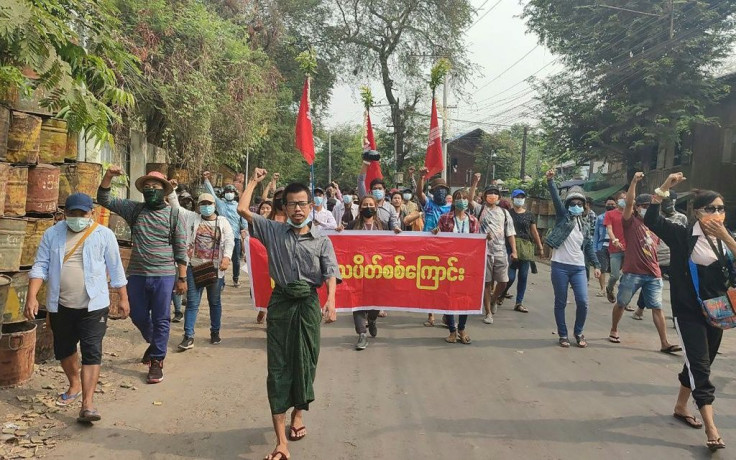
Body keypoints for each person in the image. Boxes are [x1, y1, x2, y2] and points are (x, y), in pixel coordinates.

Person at [237, 168, 340, 460]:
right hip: (281, 303)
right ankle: (281, 441)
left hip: (308, 303)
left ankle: (298, 412)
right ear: (285, 207)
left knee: (306, 362)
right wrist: (255, 181)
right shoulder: (272, 230)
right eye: (292, 204)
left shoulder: (322, 239)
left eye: (302, 203)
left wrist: (330, 300)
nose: (297, 209)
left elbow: (331, 272)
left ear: (311, 206)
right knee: (279, 367)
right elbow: (243, 209)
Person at [645, 173, 732, 452]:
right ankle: (711, 427)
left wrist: (727, 238)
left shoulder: (726, 241)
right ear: (697, 212)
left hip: (718, 311)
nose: (717, 213)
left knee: (699, 361)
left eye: (721, 209)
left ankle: (681, 405)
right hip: (688, 311)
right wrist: (663, 189)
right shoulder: (683, 236)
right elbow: (652, 220)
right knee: (700, 367)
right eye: (711, 209)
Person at [25, 193, 128, 423]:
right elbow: (40, 266)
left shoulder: (104, 235)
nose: (78, 218)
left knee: (92, 351)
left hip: (94, 305)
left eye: (83, 213)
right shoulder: (52, 234)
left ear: (91, 213)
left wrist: (123, 297)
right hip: (61, 305)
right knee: (64, 349)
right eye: (73, 214)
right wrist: (32, 296)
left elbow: (116, 268)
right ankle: (74, 383)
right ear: (65, 214)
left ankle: (88, 404)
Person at [98, 167, 187, 384]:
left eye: (155, 187)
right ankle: (156, 342)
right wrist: (109, 176)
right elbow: (104, 199)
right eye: (147, 188)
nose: (150, 190)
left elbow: (180, 247)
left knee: (161, 318)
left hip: (164, 274)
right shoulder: (134, 210)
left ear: (164, 191)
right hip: (137, 273)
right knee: (135, 314)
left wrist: (182, 277)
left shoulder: (174, 214)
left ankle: (157, 361)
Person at [607, 173, 680, 353]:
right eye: (644, 206)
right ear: (637, 208)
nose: (647, 208)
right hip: (632, 272)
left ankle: (664, 342)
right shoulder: (630, 222)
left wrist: (667, 187)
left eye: (650, 206)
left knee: (657, 307)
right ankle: (614, 329)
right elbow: (629, 202)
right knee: (622, 303)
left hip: (653, 273)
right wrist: (633, 182)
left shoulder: (656, 224)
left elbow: (658, 200)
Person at [170, 192, 234, 349]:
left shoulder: (223, 222)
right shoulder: (193, 218)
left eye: (209, 203)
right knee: (192, 303)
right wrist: (172, 191)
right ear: (198, 206)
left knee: (214, 302)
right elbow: (176, 208)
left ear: (214, 205)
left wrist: (226, 257)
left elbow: (229, 241)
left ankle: (215, 332)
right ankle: (188, 336)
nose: (206, 206)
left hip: (215, 269)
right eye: (203, 204)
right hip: (194, 268)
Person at [544, 170, 601, 348]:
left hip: (578, 267)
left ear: (584, 206)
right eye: (573, 203)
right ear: (568, 204)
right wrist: (551, 180)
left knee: (583, 302)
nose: (576, 205)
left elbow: (589, 246)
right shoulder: (563, 218)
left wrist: (596, 265)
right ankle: (563, 334)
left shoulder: (584, 224)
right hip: (560, 266)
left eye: (579, 203)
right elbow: (555, 198)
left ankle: (578, 332)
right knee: (560, 301)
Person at [468, 174, 516, 325]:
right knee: (487, 283)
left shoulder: (504, 213)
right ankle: (488, 312)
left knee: (503, 281)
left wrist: (514, 250)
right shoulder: (480, 209)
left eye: (495, 193)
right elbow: (469, 200)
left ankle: (494, 300)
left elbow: (510, 233)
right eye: (489, 193)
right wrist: (475, 182)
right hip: (484, 252)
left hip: (500, 251)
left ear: (499, 197)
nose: (492, 196)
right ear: (484, 196)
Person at [433, 189, 479, 344]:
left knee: (464, 296)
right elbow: (438, 240)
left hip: (466, 264)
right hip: (449, 264)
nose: (462, 201)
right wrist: (436, 233)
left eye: (464, 198)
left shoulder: (473, 220)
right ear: (453, 201)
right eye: (458, 198)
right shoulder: (445, 218)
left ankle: (462, 328)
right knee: (449, 295)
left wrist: (486, 239)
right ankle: (452, 330)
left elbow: (477, 243)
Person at [345, 195, 385, 350]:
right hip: (357, 271)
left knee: (375, 301)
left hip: (377, 272)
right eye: (365, 204)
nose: (368, 207)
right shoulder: (352, 225)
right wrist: (340, 232)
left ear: (375, 207)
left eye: (371, 204)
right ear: (360, 208)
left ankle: (372, 319)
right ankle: (362, 333)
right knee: (358, 302)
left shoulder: (383, 225)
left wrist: (397, 234)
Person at [416, 168, 453, 326]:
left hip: (445, 248)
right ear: (433, 192)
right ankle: (431, 314)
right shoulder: (428, 204)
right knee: (430, 281)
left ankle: (446, 313)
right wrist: (421, 177)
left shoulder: (451, 208)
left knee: (446, 282)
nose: (441, 193)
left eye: (443, 190)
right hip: (429, 247)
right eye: (438, 190)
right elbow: (419, 193)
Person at [500, 189, 544, 313]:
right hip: (510, 247)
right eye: (517, 197)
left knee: (523, 276)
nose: (520, 199)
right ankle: (501, 293)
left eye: (522, 197)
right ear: (512, 199)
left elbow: (534, 232)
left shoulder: (529, 215)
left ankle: (519, 302)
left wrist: (540, 247)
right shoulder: (507, 213)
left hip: (525, 248)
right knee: (510, 276)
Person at [203, 173, 247, 287]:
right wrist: (206, 180)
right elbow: (212, 193)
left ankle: (236, 278)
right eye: (227, 192)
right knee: (220, 259)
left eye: (231, 192)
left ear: (235, 194)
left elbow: (244, 221)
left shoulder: (238, 206)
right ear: (224, 193)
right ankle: (221, 281)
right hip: (221, 237)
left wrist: (245, 231)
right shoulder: (221, 204)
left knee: (236, 260)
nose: (229, 194)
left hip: (235, 237)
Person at [357, 161, 401, 232]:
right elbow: (360, 181)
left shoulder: (390, 208)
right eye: (375, 189)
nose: (377, 190)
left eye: (380, 188)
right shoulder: (366, 202)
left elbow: (393, 224)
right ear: (370, 191)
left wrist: (395, 228)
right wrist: (365, 163)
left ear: (384, 190)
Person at [605, 191, 628, 305]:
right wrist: (614, 240)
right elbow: (609, 229)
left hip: (629, 249)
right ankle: (609, 288)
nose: (624, 200)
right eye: (622, 198)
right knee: (615, 275)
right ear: (617, 200)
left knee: (627, 277)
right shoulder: (610, 214)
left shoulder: (631, 213)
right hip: (615, 249)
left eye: (626, 198)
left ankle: (624, 301)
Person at [593, 197, 616, 297]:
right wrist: (595, 248)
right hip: (602, 245)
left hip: (614, 246)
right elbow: (596, 234)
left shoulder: (619, 217)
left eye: (612, 204)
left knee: (613, 270)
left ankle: (610, 288)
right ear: (605, 205)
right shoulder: (600, 218)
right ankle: (602, 289)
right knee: (602, 268)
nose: (610, 205)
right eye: (609, 204)